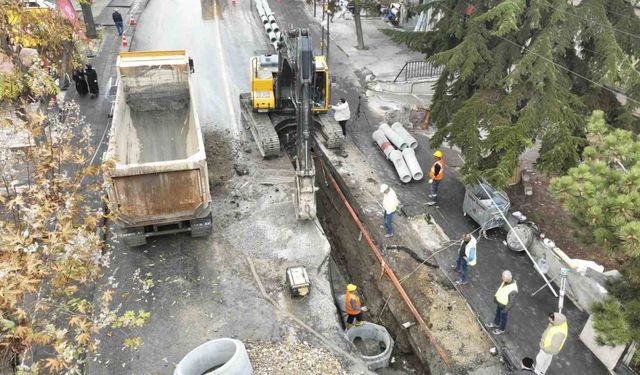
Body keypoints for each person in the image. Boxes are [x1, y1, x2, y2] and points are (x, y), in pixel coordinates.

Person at [486, 270, 518, 335]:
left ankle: (501, 329)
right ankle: (496, 323)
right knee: (497, 314)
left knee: (503, 318)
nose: (502, 278)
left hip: (504, 307)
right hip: (500, 303)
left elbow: (511, 302)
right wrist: (496, 297)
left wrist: (505, 310)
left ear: (507, 278)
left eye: (503, 277)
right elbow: (501, 290)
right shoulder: (506, 281)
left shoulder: (513, 289)